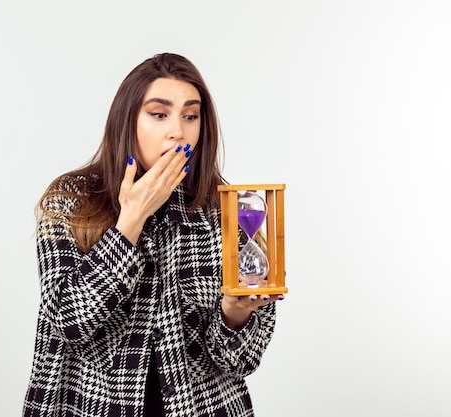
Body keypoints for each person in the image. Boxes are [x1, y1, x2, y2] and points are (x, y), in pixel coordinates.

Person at [23, 52, 282, 417]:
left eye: (190, 116)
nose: (178, 130)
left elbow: (240, 363)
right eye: (159, 114)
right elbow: (69, 322)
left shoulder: (224, 210)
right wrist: (131, 220)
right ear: (127, 121)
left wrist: (233, 315)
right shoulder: (71, 200)